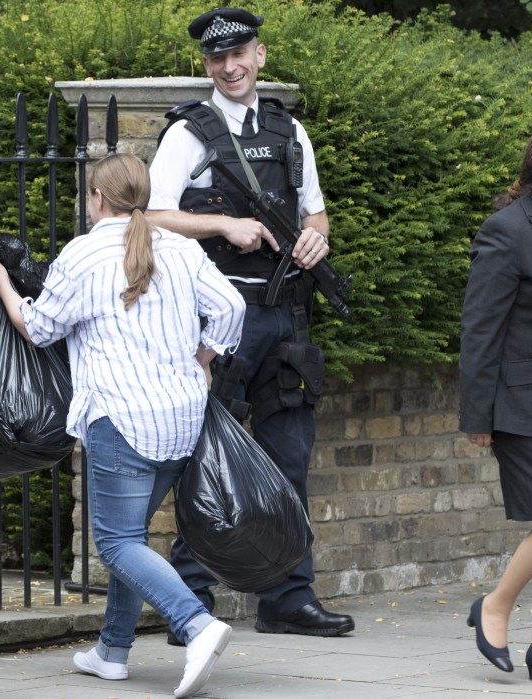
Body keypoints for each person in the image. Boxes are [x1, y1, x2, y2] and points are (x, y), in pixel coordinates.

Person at [0, 154, 246, 698]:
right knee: (134, 538)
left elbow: (38, 326)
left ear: (97, 198)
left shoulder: (83, 254)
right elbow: (232, 307)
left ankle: (196, 625)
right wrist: (204, 359)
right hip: (180, 417)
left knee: (118, 542)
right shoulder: (181, 247)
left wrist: (1, 282)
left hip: (121, 417)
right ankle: (112, 651)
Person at [146, 7, 355, 638]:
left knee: (290, 458)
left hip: (287, 317)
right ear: (205, 66)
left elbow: (314, 215)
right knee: (208, 459)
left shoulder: (290, 132)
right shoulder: (189, 133)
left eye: (240, 55)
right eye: (217, 59)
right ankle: (192, 600)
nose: (230, 67)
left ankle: (288, 598)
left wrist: (316, 241)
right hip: (219, 319)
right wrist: (221, 225)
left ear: (260, 56)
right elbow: (149, 217)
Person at [459, 117, 532, 681]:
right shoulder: (507, 231)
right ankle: (494, 605)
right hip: (522, 401)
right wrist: (478, 415)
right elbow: (480, 329)